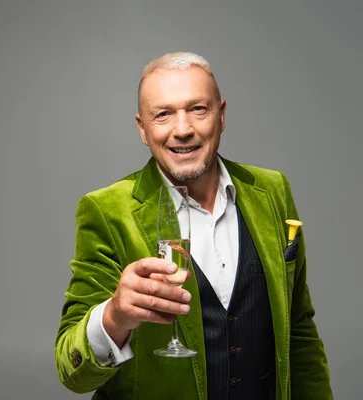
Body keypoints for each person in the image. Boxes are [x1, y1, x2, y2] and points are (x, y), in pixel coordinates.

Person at [54, 52, 332, 399]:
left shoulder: (272, 191)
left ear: (221, 114)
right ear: (143, 129)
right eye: (163, 115)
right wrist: (114, 316)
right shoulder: (107, 210)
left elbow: (299, 330)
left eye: (198, 109)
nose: (182, 130)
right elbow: (72, 371)